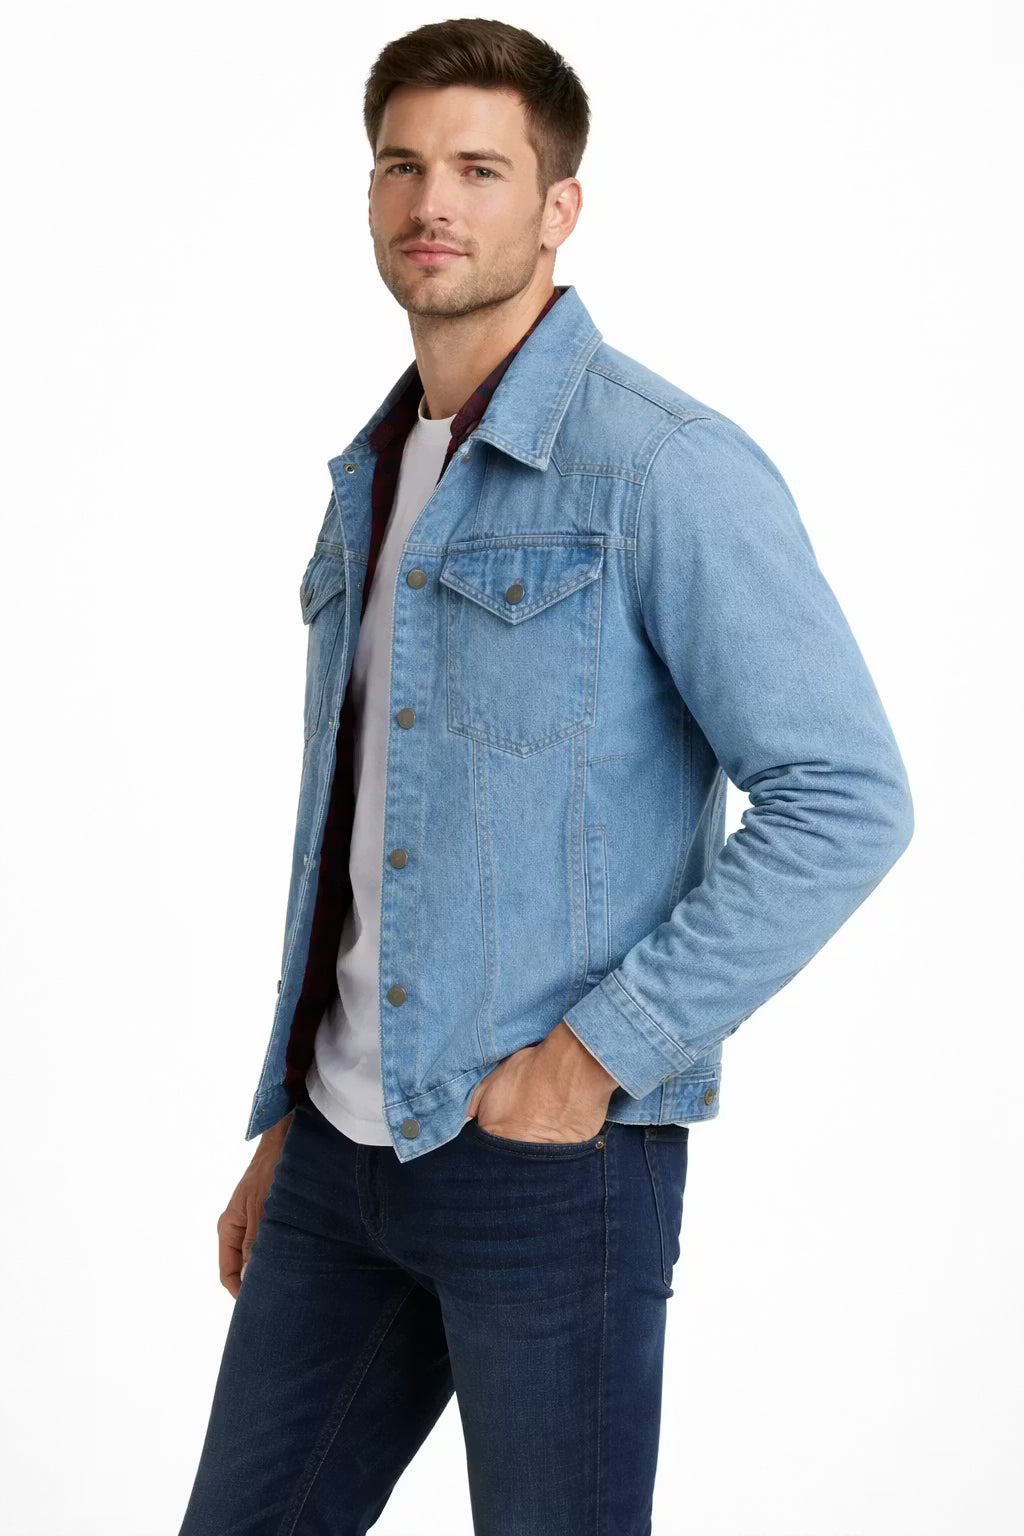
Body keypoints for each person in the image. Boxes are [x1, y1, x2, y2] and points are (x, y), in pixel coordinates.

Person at [177, 18, 914, 1535]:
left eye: (478, 169)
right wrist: (289, 1109)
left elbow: (845, 795)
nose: (430, 202)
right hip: (336, 1158)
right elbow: (359, 824)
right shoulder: (371, 475)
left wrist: (594, 1056)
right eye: (401, 165)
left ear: (558, 205)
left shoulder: (661, 466)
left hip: (547, 1167)